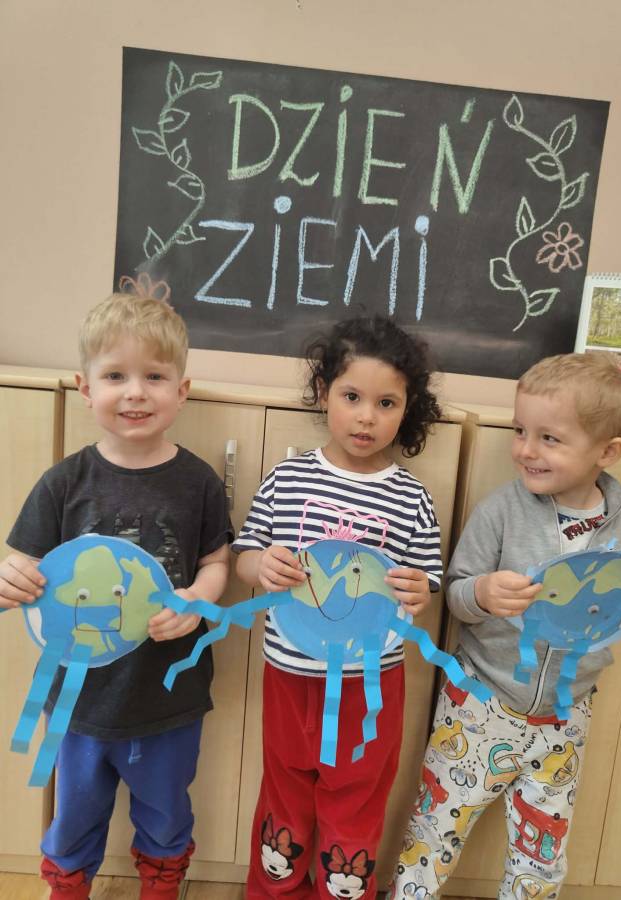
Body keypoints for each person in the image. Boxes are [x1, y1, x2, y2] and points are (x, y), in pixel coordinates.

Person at [388, 352, 621, 900]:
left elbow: (614, 607)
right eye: (520, 431)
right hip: (480, 704)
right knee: (435, 829)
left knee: (542, 850)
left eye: (550, 438)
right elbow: (455, 594)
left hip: (567, 712)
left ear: (607, 452)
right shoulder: (500, 510)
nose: (525, 449)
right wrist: (483, 593)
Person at [0, 283, 233, 900]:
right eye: (115, 376)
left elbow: (217, 562)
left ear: (181, 390)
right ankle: (67, 886)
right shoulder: (63, 482)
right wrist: (10, 579)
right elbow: (22, 569)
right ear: (85, 388)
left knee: (166, 810)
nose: (135, 392)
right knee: (74, 813)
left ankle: (161, 885)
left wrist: (197, 599)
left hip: (169, 693)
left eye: (154, 376)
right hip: (79, 699)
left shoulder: (199, 482)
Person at [234, 314, 444, 900]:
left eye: (386, 403)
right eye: (352, 397)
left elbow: (425, 585)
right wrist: (261, 566)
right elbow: (246, 556)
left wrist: (417, 591)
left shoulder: (411, 497)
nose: (366, 417)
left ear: (407, 409)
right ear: (325, 392)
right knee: (284, 799)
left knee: (356, 801)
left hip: (368, 685)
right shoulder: (288, 478)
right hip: (289, 676)